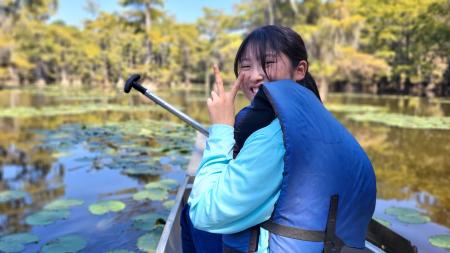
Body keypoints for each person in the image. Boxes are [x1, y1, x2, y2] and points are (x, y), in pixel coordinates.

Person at [180, 25, 376, 253]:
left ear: (300, 69)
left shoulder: (275, 137)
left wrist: (222, 129)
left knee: (192, 213)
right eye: (245, 66)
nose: (255, 75)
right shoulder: (318, 120)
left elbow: (204, 213)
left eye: (268, 62)